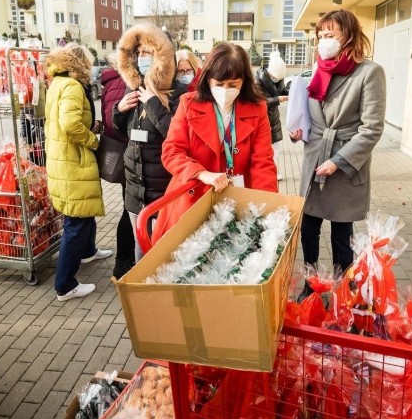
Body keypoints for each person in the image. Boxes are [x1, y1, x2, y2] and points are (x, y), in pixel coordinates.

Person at [290, 9, 386, 272]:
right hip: (315, 160)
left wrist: (338, 161)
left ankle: (342, 289)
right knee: (308, 229)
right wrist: (299, 131)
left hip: (344, 164)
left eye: (330, 34)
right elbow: (311, 113)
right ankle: (311, 285)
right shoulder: (318, 69)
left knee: (341, 236)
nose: (323, 40)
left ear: (349, 36)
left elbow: (372, 128)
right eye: (320, 35)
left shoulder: (369, 72)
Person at [154, 42, 278, 240]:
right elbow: (171, 151)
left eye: (233, 85)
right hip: (192, 199)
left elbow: (262, 164)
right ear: (208, 79)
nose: (225, 90)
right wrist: (202, 173)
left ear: (244, 82)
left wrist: (268, 210)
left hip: (237, 201)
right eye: (219, 84)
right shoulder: (189, 103)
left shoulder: (257, 108)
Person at [114, 23, 186, 259]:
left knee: (164, 252)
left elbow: (176, 134)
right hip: (135, 189)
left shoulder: (178, 94)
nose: (142, 58)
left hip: (164, 190)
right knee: (140, 248)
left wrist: (154, 104)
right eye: (139, 53)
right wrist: (119, 110)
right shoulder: (134, 87)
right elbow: (125, 132)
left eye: (147, 52)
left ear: (161, 56)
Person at [44, 44, 110, 302]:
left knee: (83, 212)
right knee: (76, 221)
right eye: (89, 63)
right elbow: (70, 123)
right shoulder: (71, 86)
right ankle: (65, 285)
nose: (92, 68)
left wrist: (89, 125)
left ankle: (88, 251)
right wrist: (93, 139)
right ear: (79, 63)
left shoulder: (58, 83)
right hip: (73, 160)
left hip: (64, 158)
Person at [100, 53, 137, 279]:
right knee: (129, 210)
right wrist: (121, 111)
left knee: (129, 209)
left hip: (130, 155)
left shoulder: (112, 81)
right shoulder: (120, 83)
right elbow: (112, 124)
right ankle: (123, 264)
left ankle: (124, 262)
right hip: (128, 155)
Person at [255, 51, 289, 180]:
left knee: (276, 148)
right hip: (262, 119)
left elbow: (283, 90)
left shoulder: (278, 79)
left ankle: (273, 172)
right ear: (269, 72)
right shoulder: (257, 80)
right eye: (275, 77)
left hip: (273, 117)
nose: (277, 80)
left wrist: (293, 92)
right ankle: (266, 174)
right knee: (264, 149)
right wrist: (278, 99)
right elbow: (258, 102)